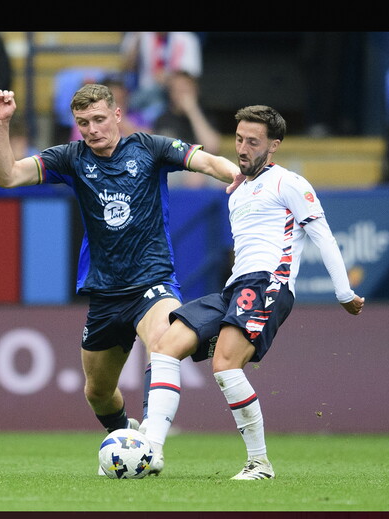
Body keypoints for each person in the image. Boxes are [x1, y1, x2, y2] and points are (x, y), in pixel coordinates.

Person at [0, 83, 244, 473]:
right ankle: (128, 435)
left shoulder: (150, 148)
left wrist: (237, 176)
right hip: (106, 294)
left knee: (163, 346)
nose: (91, 129)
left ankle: (152, 447)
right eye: (82, 123)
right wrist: (1, 124)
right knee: (98, 392)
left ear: (117, 115)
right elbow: (7, 177)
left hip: (152, 283)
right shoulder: (71, 158)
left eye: (99, 119)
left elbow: (208, 162)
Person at [140, 105, 365, 479]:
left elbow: (321, 234)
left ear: (273, 146)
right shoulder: (237, 193)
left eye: (253, 142)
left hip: (268, 283)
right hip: (235, 286)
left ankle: (259, 463)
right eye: (239, 139)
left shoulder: (289, 183)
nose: (242, 148)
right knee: (165, 344)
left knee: (225, 366)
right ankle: (152, 450)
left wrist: (343, 293)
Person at [153, 70, 222, 188]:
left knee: (225, 180)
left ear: (195, 91)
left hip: (202, 168)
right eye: (178, 91)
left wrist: (193, 111)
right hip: (174, 171)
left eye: (186, 90)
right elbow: (167, 157)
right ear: (170, 93)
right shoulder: (163, 120)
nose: (183, 95)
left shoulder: (205, 117)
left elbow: (213, 147)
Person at [120, 32, 203, 126]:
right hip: (144, 91)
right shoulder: (141, 35)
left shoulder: (186, 38)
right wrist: (137, 39)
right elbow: (127, 67)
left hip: (172, 93)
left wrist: (168, 79)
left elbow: (191, 76)